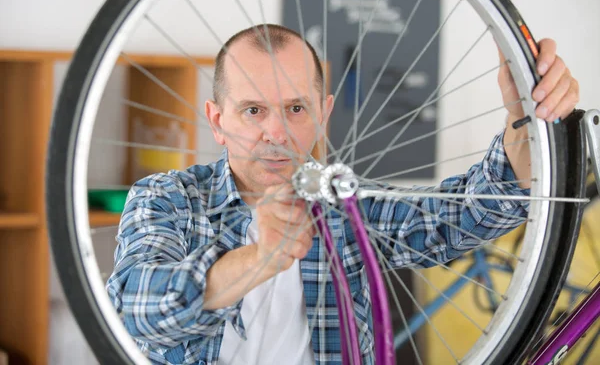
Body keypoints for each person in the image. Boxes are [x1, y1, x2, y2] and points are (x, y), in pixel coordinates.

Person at [106, 23, 579, 365]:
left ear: (324, 112)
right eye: (253, 110)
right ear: (217, 121)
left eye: (295, 108)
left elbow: (465, 215)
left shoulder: (343, 202)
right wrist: (259, 258)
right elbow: (136, 311)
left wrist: (526, 117)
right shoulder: (167, 198)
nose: (276, 132)